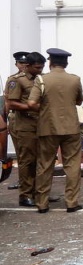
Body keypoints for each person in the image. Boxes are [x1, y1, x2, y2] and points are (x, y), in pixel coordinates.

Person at [27, 48, 83, 213]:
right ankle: (72, 202)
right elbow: (79, 101)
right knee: (73, 165)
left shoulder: (42, 80)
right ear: (66, 63)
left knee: (45, 165)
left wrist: (45, 108)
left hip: (48, 127)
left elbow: (31, 103)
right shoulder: (75, 79)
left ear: (50, 62)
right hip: (71, 127)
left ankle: (42, 203)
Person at [5, 52, 45, 207]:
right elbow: (11, 103)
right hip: (25, 125)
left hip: (41, 125)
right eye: (37, 67)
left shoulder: (41, 79)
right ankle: (25, 194)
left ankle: (39, 192)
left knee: (40, 160)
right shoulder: (16, 81)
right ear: (27, 66)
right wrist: (32, 107)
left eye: (42, 67)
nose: (40, 70)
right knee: (27, 160)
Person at [4, 51, 29, 190]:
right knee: (21, 152)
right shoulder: (13, 79)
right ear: (16, 64)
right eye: (21, 63)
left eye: (26, 63)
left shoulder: (36, 78)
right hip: (16, 117)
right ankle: (22, 180)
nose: (23, 66)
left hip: (34, 119)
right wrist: (5, 122)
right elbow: (8, 102)